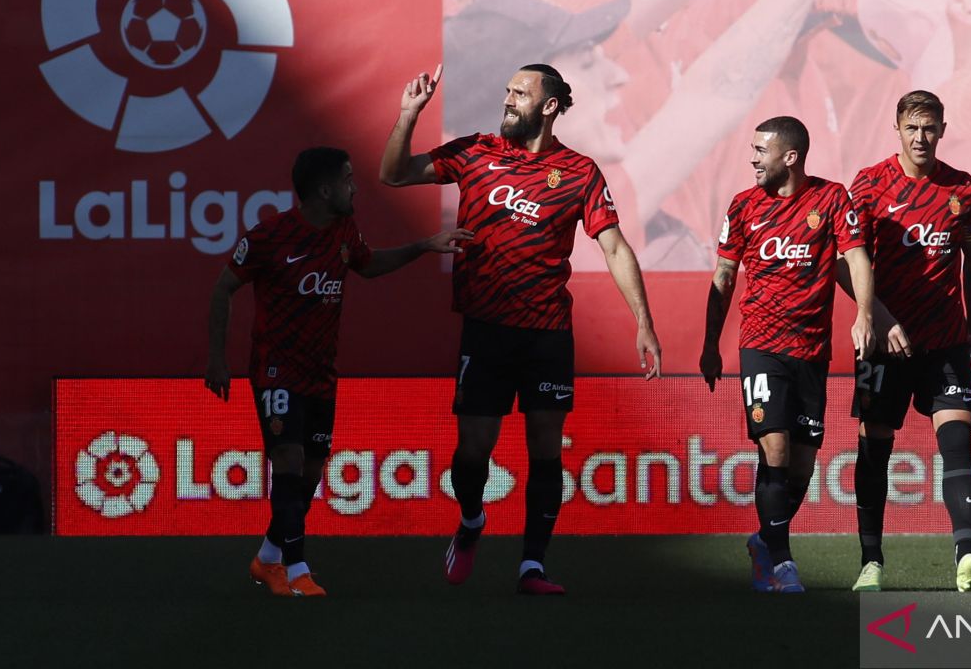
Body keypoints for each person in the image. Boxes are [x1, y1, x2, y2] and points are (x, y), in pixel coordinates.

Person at [380, 61, 662, 595]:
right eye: (506, 90)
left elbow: (615, 246)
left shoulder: (579, 172)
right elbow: (393, 174)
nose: (507, 99)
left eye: (520, 93)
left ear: (549, 106)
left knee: (546, 450)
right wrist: (407, 115)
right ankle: (470, 522)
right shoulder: (475, 152)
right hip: (486, 332)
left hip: (547, 334)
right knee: (472, 454)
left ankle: (532, 565)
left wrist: (643, 322)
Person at [204, 147, 472, 597]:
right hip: (276, 370)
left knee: (308, 476)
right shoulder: (270, 236)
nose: (355, 187)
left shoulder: (344, 230)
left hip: (321, 374)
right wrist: (217, 358)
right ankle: (296, 570)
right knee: (287, 462)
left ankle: (268, 557)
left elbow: (367, 266)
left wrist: (425, 245)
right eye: (349, 179)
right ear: (324, 189)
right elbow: (222, 288)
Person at [699, 115, 874, 593]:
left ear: (790, 157)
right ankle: (781, 564)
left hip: (812, 352)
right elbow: (723, 277)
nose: (753, 158)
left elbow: (856, 256)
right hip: (760, 347)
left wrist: (865, 315)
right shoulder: (742, 206)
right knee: (773, 446)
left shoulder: (832, 198)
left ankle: (763, 539)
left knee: (801, 465)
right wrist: (710, 343)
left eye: (761, 150)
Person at [842, 90, 971, 593]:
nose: (921, 137)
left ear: (943, 130)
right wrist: (878, 317)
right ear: (898, 128)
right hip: (883, 347)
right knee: (874, 450)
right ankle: (871, 562)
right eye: (912, 127)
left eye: (930, 128)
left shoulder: (964, 190)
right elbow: (846, 262)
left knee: (957, 442)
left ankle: (966, 558)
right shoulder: (868, 185)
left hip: (945, 342)